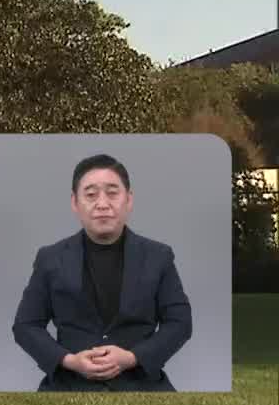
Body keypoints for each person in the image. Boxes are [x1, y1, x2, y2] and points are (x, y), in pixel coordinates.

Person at [12, 153, 192, 391]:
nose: (102, 203)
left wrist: (132, 358)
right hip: (68, 387)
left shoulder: (158, 256)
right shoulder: (50, 259)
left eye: (112, 192)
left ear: (128, 200)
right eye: (91, 194)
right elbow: (26, 325)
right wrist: (69, 361)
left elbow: (180, 322)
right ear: (75, 203)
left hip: (142, 386)